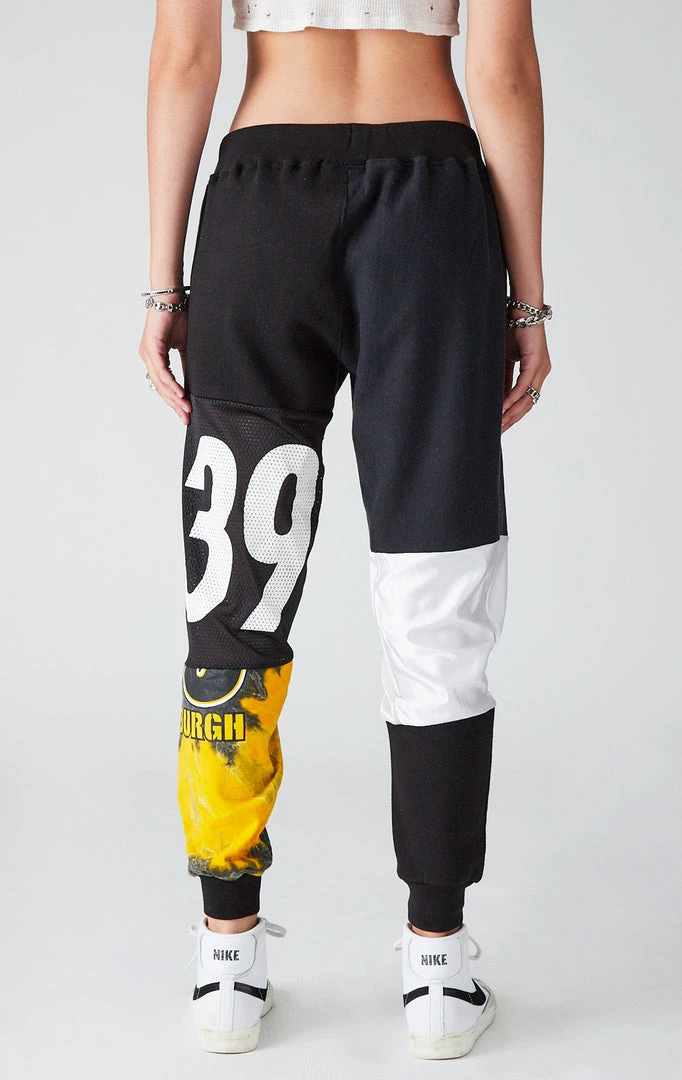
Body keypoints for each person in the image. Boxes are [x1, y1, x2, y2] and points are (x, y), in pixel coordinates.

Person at [138, 0, 552, 1060]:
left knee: (237, 575)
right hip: (431, 210)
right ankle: (437, 962)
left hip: (262, 207)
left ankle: (227, 956)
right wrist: (528, 300)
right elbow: (502, 73)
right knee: (438, 571)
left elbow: (185, 57)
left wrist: (164, 282)